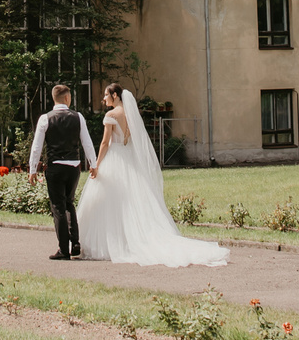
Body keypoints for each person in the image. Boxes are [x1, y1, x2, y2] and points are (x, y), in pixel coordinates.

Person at [74, 83, 228, 267]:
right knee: (130, 202)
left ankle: (110, 243)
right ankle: (129, 238)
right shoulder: (130, 115)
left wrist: (96, 164)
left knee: (108, 201)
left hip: (114, 159)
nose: (103, 99)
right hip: (128, 161)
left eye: (106, 95)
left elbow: (105, 143)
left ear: (115, 95)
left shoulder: (111, 115)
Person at [27, 84, 99, 261]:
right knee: (69, 203)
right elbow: (87, 142)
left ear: (54, 98)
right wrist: (93, 163)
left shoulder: (45, 118)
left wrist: (32, 168)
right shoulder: (78, 117)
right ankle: (75, 242)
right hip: (74, 166)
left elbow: (37, 147)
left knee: (58, 207)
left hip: (55, 166)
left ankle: (63, 249)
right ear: (67, 98)